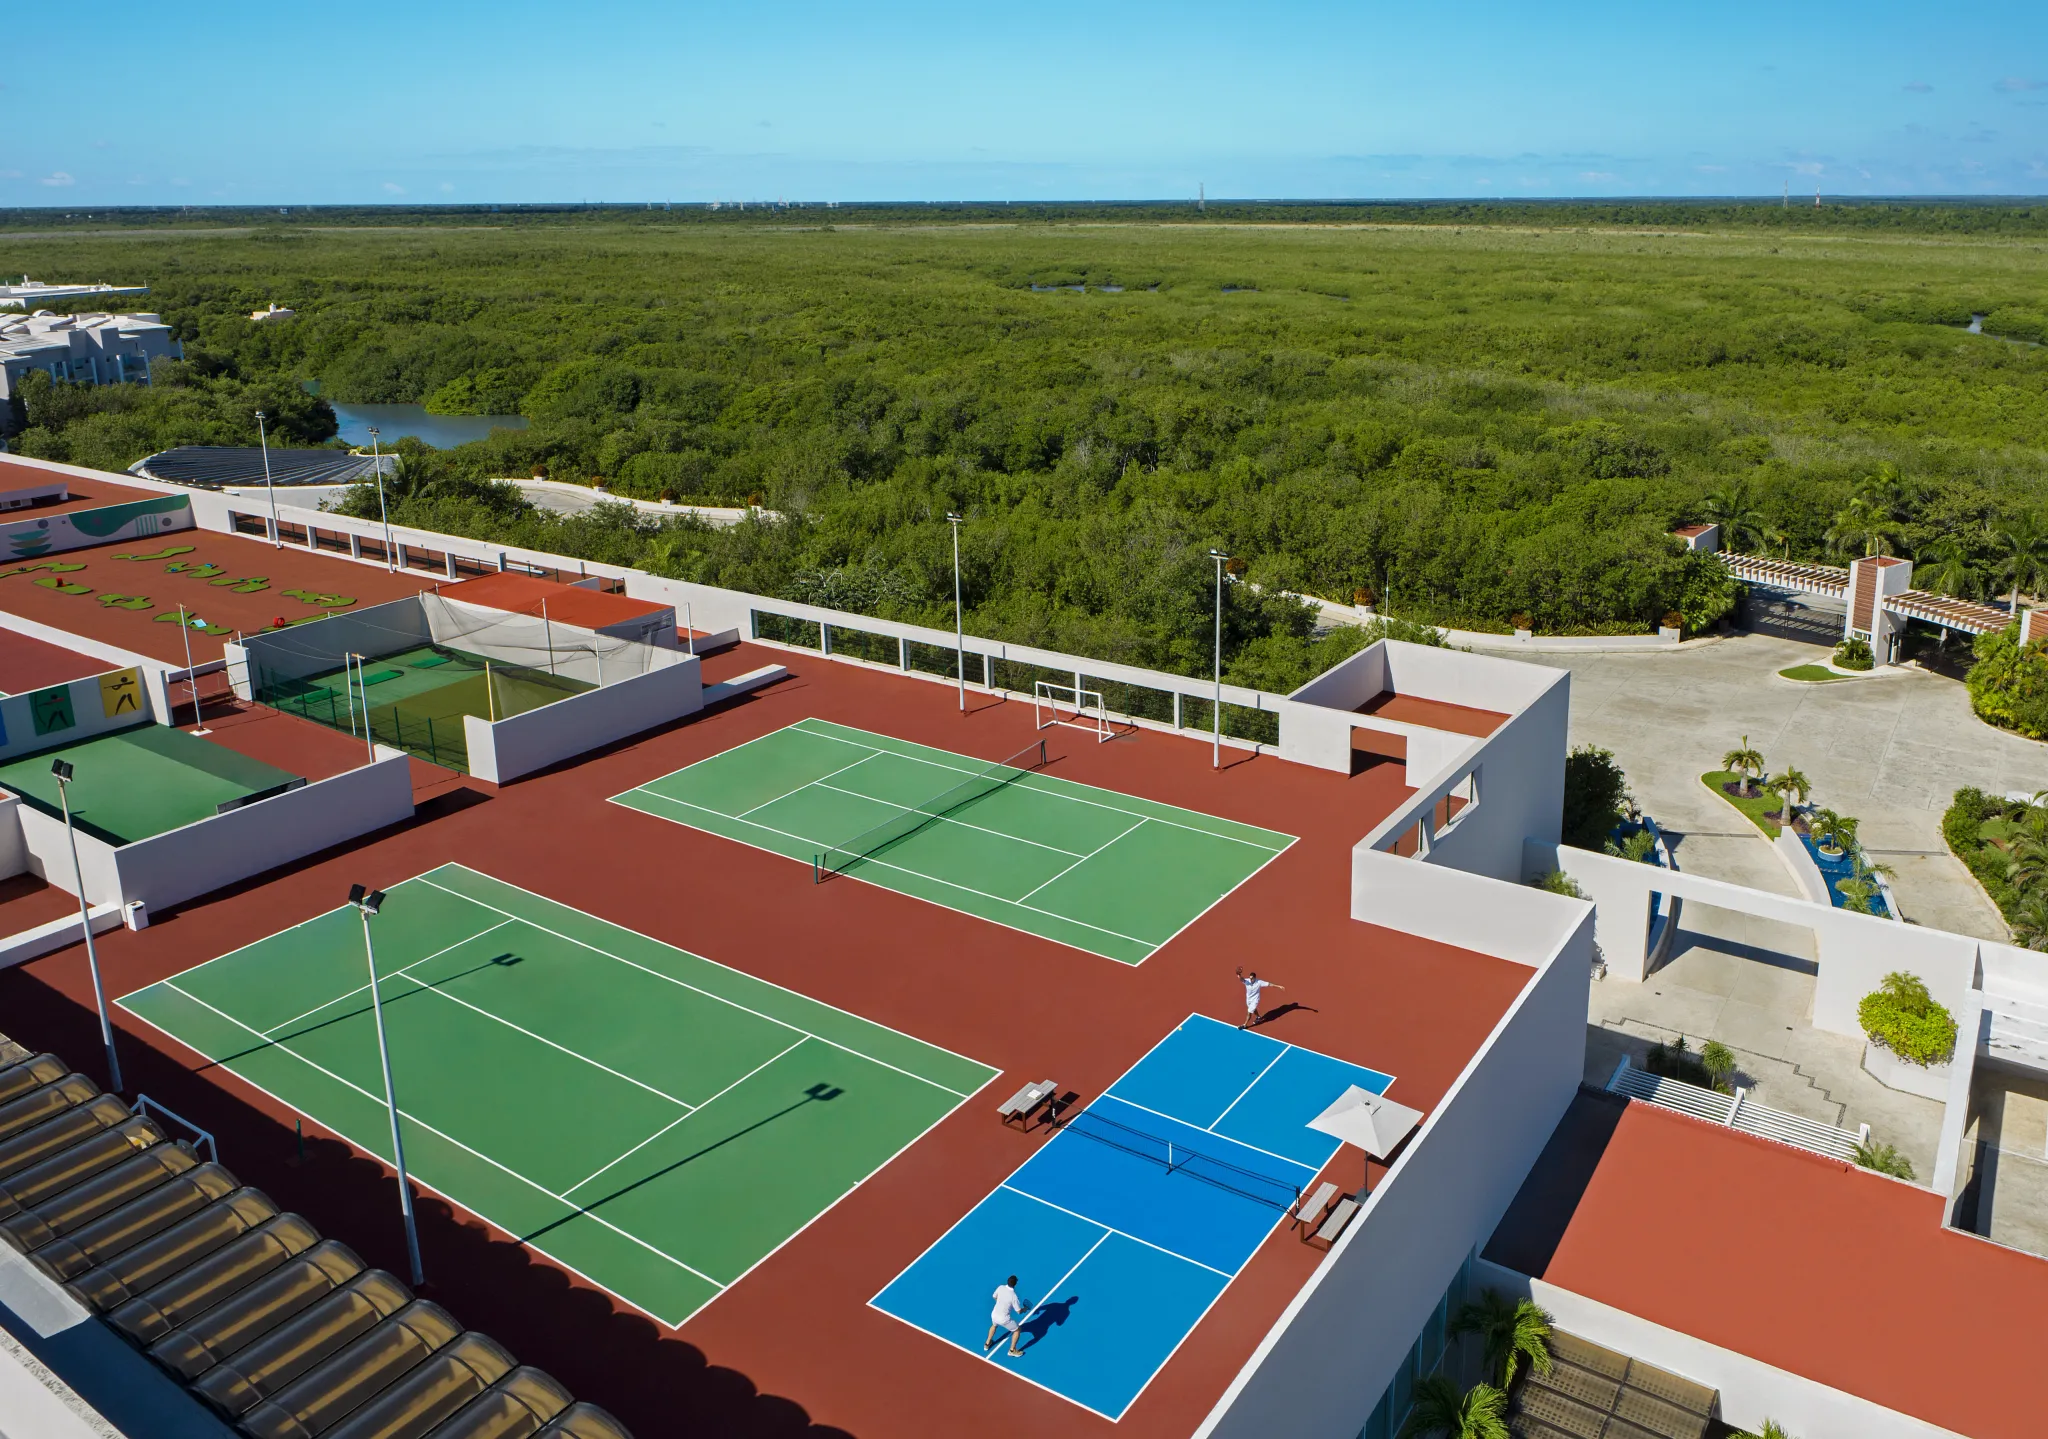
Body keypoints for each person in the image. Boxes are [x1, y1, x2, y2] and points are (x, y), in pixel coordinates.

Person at [986, 1275, 1026, 1356]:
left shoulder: (1000, 1287)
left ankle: (987, 1344)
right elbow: (1018, 1311)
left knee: (994, 1325)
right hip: (1004, 1319)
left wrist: (1001, 1304)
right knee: (1017, 1330)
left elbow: (994, 1296)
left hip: (994, 1314)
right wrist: (1024, 1309)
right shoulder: (1014, 1296)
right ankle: (1012, 1350)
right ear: (1015, 1284)